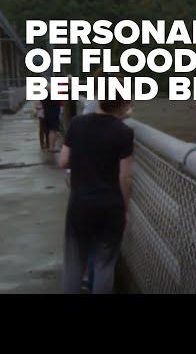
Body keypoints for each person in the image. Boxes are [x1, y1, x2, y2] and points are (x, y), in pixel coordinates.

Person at [58, 96, 134, 294]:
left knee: (73, 265)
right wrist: (125, 209)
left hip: (80, 205)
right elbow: (124, 177)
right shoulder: (124, 132)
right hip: (110, 207)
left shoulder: (77, 124)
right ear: (123, 103)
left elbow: (63, 161)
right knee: (104, 266)